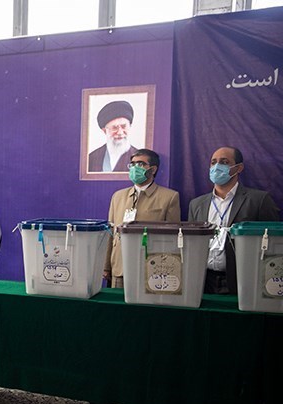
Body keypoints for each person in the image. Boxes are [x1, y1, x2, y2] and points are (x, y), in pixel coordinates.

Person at [188, 146, 280, 294]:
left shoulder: (259, 200)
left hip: (243, 281)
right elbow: (191, 244)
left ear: (238, 168)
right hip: (203, 281)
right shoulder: (197, 204)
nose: (217, 167)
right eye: (213, 162)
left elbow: (274, 244)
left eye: (224, 162)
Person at [103, 149, 181, 288]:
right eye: (132, 164)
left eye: (140, 164)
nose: (135, 168)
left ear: (153, 169)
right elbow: (110, 233)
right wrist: (106, 266)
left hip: (151, 269)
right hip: (119, 268)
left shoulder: (169, 197)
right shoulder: (118, 196)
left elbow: (173, 238)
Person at [88, 100, 139, 173]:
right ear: (104, 131)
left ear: (130, 126)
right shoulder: (91, 158)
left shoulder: (141, 158)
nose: (120, 132)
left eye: (124, 126)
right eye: (114, 128)